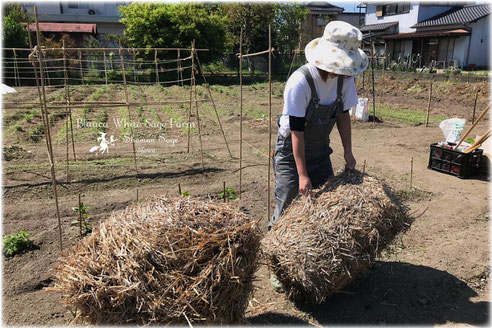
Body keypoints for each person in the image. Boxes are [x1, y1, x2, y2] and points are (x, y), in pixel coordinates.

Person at [269, 21, 369, 291]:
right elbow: (297, 133)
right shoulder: (300, 81)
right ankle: (277, 264)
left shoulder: (345, 81)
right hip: (292, 153)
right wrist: (302, 175)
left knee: (327, 205)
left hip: (320, 151)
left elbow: (343, 117)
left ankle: (315, 259)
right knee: (289, 200)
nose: (343, 72)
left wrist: (348, 151)